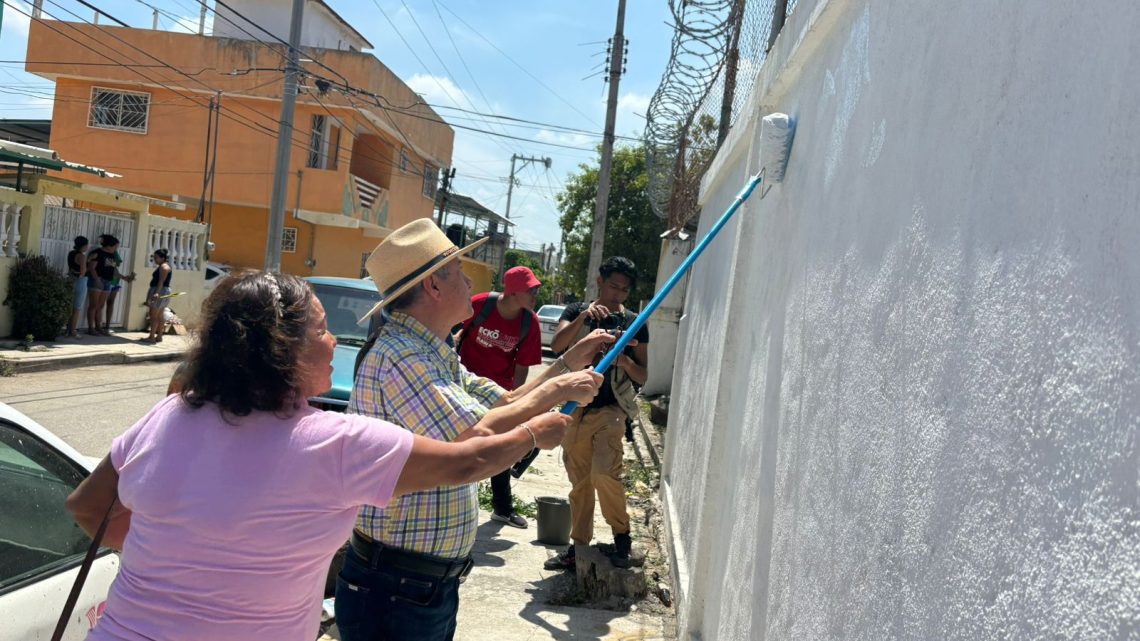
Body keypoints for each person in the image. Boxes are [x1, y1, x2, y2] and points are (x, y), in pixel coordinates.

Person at [65, 270, 597, 641]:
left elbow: (88, 507)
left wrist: (177, 556)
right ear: (280, 349)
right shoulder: (332, 443)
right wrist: (534, 435)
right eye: (320, 329)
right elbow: (465, 461)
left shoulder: (169, 415)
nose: (333, 342)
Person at [335, 219, 615, 641]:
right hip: (396, 588)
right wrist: (550, 403)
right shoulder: (402, 356)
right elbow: (473, 436)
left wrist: (566, 364)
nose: (469, 281)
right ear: (432, 286)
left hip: (418, 587)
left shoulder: (433, 350)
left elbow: (501, 403)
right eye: (458, 271)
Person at [546, 256, 649, 571]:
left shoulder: (634, 321)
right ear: (600, 283)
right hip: (575, 409)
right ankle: (578, 548)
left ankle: (622, 537)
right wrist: (585, 320)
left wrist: (623, 361)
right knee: (580, 482)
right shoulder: (578, 311)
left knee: (605, 473)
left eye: (624, 289)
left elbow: (643, 375)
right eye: (613, 286)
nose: (617, 294)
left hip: (610, 409)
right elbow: (557, 345)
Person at [455, 265, 544, 528]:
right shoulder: (480, 305)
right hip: (464, 385)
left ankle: (502, 509)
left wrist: (516, 403)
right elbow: (450, 331)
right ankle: (455, 503)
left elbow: (522, 366)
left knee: (506, 444)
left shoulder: (529, 322)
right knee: (459, 444)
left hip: (498, 392)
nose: (535, 294)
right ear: (514, 291)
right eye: (531, 289)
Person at [85, 235, 119, 336]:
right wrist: (97, 280)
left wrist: (124, 277)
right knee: (93, 305)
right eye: (115, 247)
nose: (116, 249)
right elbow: (91, 267)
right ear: (109, 245)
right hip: (97, 280)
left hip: (107, 281)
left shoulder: (111, 255)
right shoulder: (97, 253)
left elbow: (112, 269)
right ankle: (91, 328)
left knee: (100, 305)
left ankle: (98, 327)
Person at [102, 245, 136, 335]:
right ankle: (100, 326)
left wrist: (123, 277)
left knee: (109, 303)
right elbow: (114, 269)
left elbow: (115, 268)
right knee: (102, 304)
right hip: (108, 281)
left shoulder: (114, 253)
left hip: (114, 282)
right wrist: (124, 278)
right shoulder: (107, 255)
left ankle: (107, 326)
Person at [143, 248, 172, 343]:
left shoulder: (164, 267)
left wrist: (156, 292)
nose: (154, 259)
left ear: (162, 258)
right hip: (163, 291)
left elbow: (161, 281)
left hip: (160, 290)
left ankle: (151, 337)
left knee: (153, 315)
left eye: (156, 258)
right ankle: (159, 336)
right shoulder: (163, 266)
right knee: (160, 315)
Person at [65, 236, 90, 338]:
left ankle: (67, 329)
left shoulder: (71, 253)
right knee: (77, 307)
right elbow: (83, 271)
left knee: (70, 305)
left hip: (71, 279)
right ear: (84, 246)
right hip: (80, 281)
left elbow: (71, 268)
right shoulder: (82, 256)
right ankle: (73, 331)